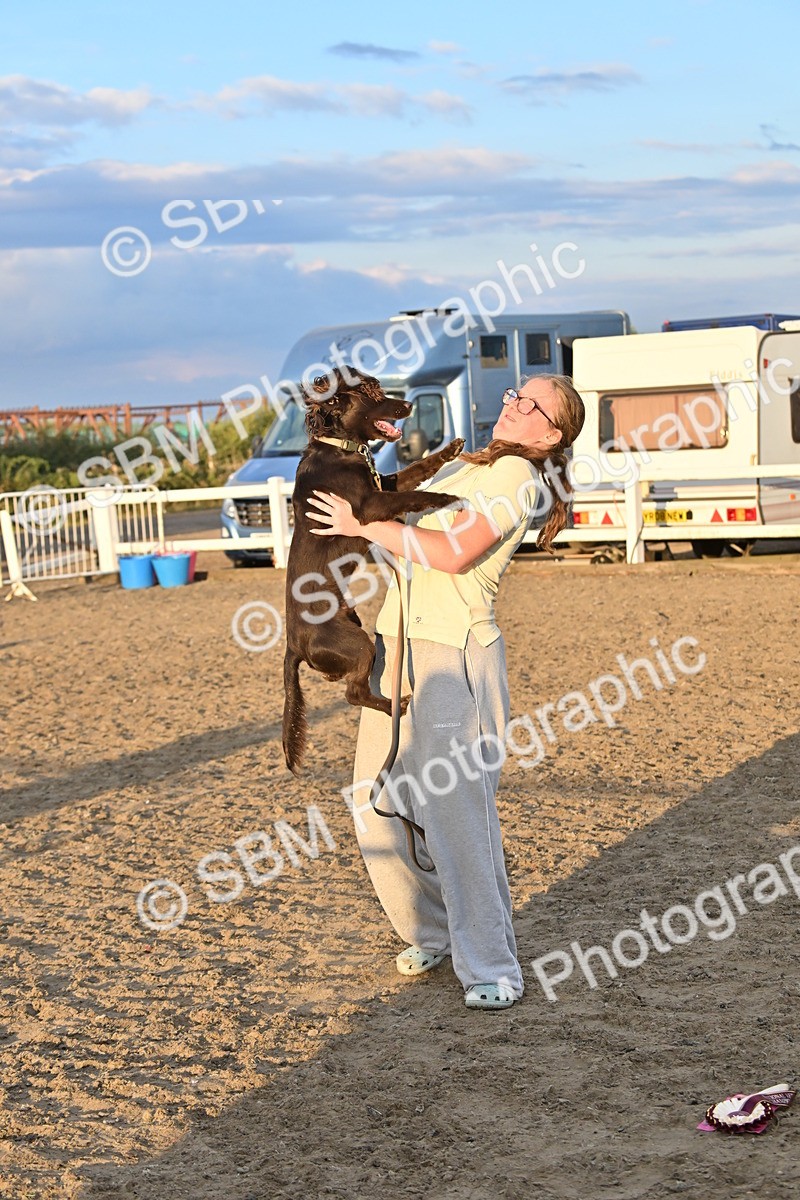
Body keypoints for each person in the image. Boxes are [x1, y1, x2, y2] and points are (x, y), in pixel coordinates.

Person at [306, 374, 586, 1009]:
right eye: (514, 393)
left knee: (457, 815)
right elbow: (402, 537)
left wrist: (367, 526)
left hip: (454, 656)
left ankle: (492, 966)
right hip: (397, 646)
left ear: (550, 433)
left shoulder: (517, 478)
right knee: (373, 797)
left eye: (530, 403)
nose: (512, 402)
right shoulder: (465, 466)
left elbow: (455, 553)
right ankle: (430, 930)